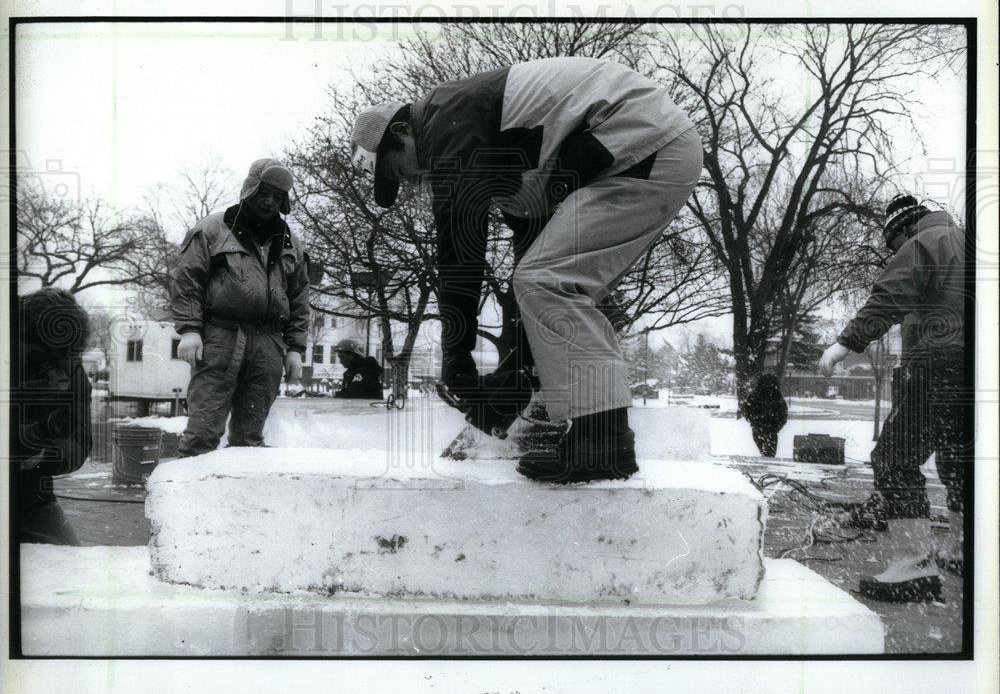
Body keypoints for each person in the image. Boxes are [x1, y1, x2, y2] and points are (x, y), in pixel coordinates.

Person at [349, 56, 702, 483]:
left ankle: (603, 440)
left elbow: (460, 252)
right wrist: (511, 376)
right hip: (642, 148)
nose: (412, 180)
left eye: (399, 168)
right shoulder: (498, 143)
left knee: (548, 280)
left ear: (403, 132)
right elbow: (528, 265)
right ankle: (557, 417)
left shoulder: (448, 121)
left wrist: (457, 357)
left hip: (639, 143)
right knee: (544, 279)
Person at [819, 194, 968, 602]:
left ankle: (914, 569)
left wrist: (845, 343)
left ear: (901, 229)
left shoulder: (925, 241)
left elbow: (891, 294)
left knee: (894, 456)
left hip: (941, 364)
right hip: (976, 369)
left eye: (892, 244)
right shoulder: (968, 241)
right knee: (958, 458)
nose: (893, 252)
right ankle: (959, 550)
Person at [170, 158, 309, 457]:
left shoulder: (290, 243)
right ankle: (188, 502)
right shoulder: (213, 229)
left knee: (250, 439)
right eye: (264, 193)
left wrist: (295, 348)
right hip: (220, 338)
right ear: (250, 190)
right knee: (202, 434)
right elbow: (187, 280)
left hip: (268, 344)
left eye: (277, 197)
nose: (269, 202)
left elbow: (299, 297)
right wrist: (190, 330)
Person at [12, 288, 93, 545]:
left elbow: (80, 445)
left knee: (70, 563)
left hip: (30, 494)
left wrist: (43, 453)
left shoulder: (72, 370)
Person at [739, 373, 788, 458]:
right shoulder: (777, 397)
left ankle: (766, 463)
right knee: (770, 454)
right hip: (771, 429)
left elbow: (746, 409)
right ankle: (768, 465)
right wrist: (777, 426)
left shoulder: (755, 396)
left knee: (764, 451)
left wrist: (753, 420)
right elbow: (783, 414)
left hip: (758, 427)